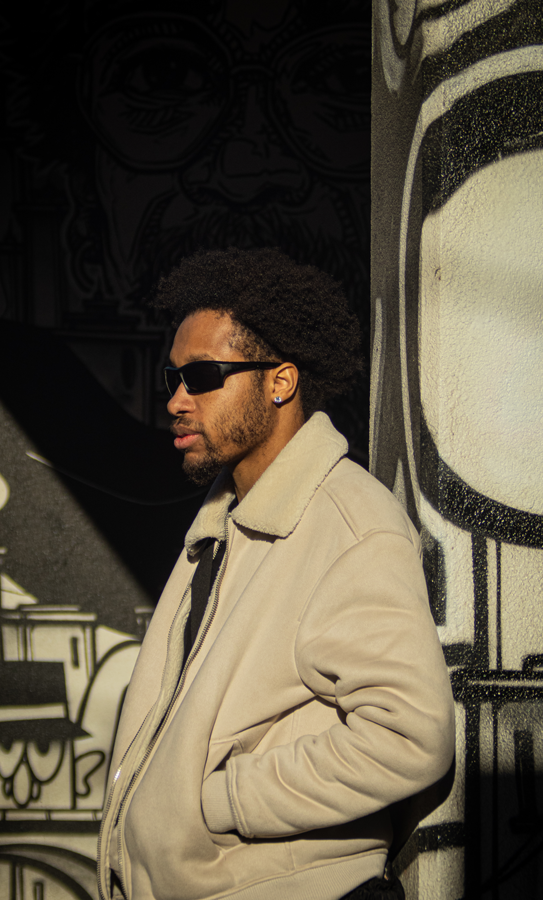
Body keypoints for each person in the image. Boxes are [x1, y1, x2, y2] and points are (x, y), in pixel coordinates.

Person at [97, 248, 455, 900]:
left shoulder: (348, 526)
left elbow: (408, 735)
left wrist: (223, 799)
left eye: (201, 375)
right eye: (173, 376)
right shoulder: (223, 524)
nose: (176, 400)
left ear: (280, 382)